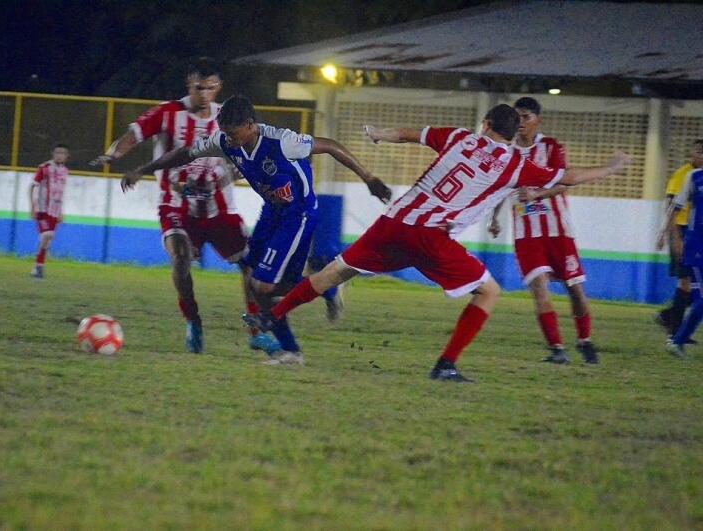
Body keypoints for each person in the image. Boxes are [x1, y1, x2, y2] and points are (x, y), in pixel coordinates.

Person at [244, 104, 631, 381]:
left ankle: (270, 317)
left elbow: (413, 134)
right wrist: (611, 168)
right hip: (431, 235)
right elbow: (569, 178)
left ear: (485, 123)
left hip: (394, 221)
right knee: (489, 292)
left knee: (334, 272)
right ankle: (446, 364)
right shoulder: (514, 163)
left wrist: (380, 135)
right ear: (514, 136)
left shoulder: (460, 137)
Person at [121, 94, 392, 365]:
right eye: (224, 133)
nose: (228, 139)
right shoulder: (225, 142)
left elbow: (331, 146)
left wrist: (368, 178)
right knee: (259, 283)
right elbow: (185, 153)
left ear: (250, 125)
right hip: (271, 214)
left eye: (233, 133)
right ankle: (304, 328)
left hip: (298, 215)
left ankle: (307, 322)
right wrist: (144, 168)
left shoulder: (282, 142)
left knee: (263, 286)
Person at [90, 58, 278, 355]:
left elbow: (247, 151)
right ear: (189, 85)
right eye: (199, 87)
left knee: (251, 268)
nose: (204, 93)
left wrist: (243, 169)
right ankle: (193, 321)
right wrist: (112, 155)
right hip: (175, 206)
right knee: (180, 256)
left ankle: (257, 330)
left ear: (219, 88)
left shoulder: (225, 117)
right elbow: (133, 135)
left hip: (219, 210)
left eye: (211, 88)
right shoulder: (168, 113)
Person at [488, 97, 597, 364]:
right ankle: (557, 349)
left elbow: (565, 183)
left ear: (538, 120)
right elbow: (501, 186)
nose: (521, 123)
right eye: (517, 117)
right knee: (539, 289)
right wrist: (494, 217)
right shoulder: (506, 151)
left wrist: (537, 194)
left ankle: (585, 341)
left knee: (575, 290)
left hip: (558, 232)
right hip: (526, 235)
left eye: (526, 117)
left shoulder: (551, 147)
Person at [655, 139, 703, 339]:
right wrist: (665, 234)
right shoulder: (684, 175)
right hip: (682, 231)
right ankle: (674, 330)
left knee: (691, 284)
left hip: (695, 233)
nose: (700, 156)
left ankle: (669, 317)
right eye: (698, 152)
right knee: (685, 282)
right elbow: (671, 206)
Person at [29, 144, 69, 279]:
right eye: (57, 152)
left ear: (66, 156)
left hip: (55, 210)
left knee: (47, 239)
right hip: (42, 208)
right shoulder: (45, 168)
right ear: (53, 154)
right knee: (47, 235)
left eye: (63, 153)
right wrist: (32, 206)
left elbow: (60, 192)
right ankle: (38, 265)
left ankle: (38, 267)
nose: (60, 155)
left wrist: (61, 211)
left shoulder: (64, 171)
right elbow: (33, 186)